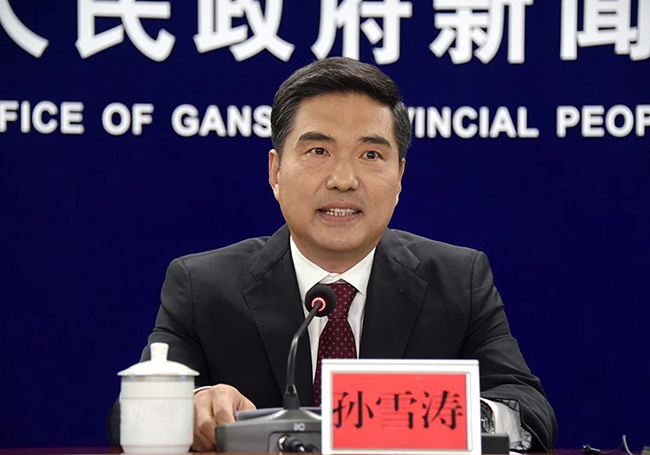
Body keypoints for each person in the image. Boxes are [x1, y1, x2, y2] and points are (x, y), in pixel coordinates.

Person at [108, 57, 557, 451]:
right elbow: (127, 416)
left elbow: (529, 409)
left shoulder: (458, 280)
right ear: (275, 171)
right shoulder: (203, 286)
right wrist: (188, 407)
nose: (343, 179)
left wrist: (454, 415)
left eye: (370, 155)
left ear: (400, 177)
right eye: (319, 151)